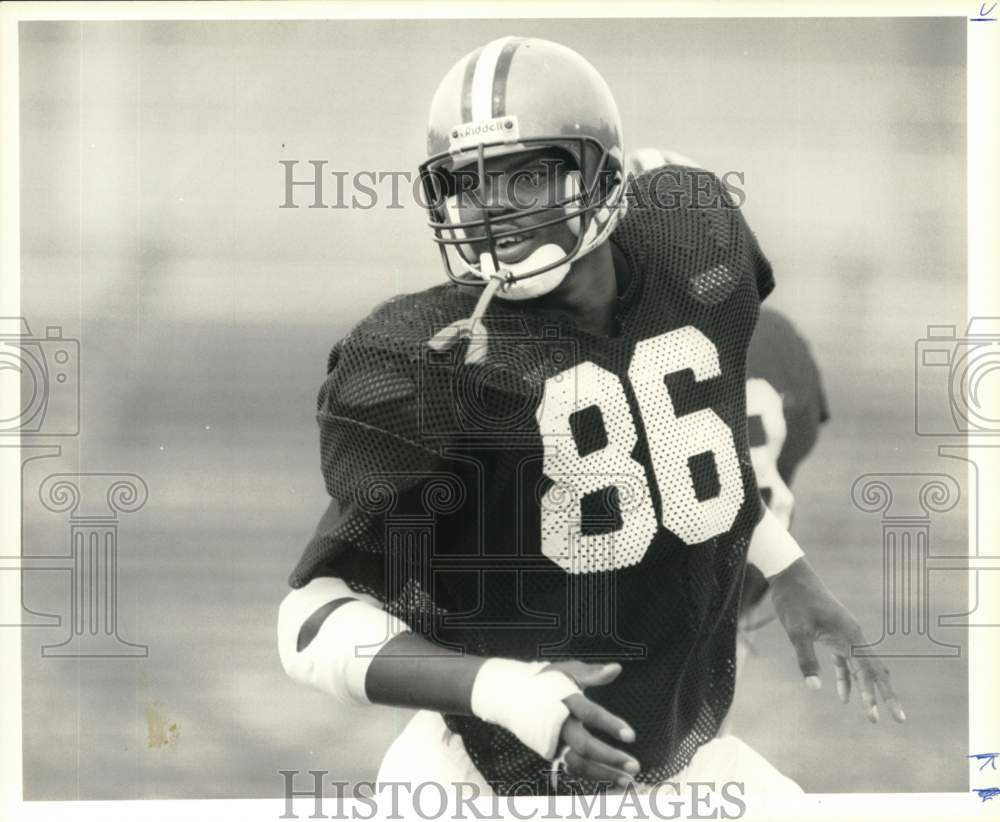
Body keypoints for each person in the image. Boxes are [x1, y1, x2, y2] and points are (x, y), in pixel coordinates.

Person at [278, 36, 903, 797]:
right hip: (486, 786)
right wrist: (512, 693)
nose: (494, 211)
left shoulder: (691, 241)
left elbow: (676, 444)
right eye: (469, 185)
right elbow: (306, 627)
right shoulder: (428, 365)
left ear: (604, 177)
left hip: (681, 768)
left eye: (527, 177)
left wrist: (786, 568)